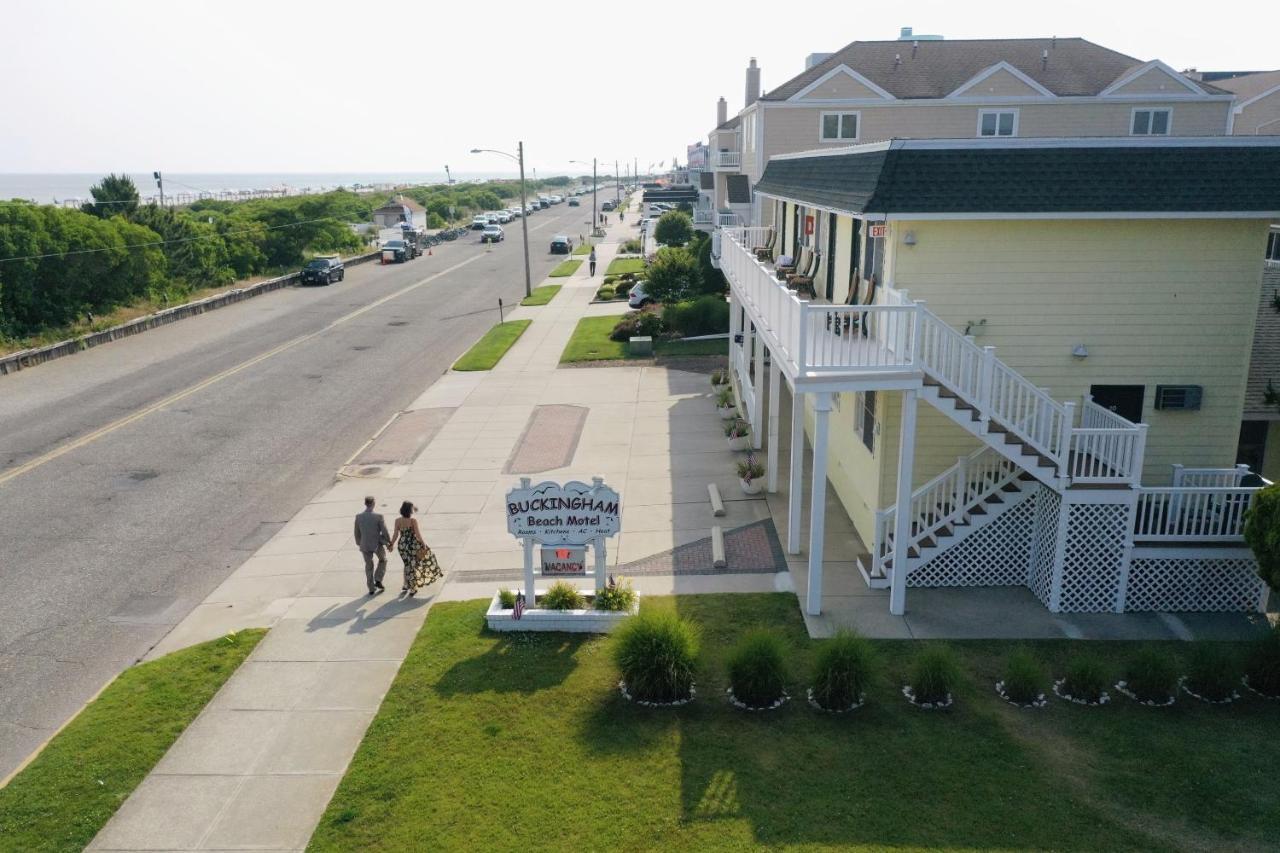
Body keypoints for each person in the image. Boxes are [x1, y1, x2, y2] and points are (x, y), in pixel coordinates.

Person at [388, 501, 442, 596]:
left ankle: (405, 584)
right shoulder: (413, 521)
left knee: (407, 565)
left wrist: (391, 544)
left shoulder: (397, 521)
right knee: (413, 565)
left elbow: (395, 534)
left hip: (402, 545)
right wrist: (423, 544)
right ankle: (412, 589)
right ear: (409, 510)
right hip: (412, 545)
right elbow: (417, 534)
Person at [353, 496, 391, 595]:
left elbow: (356, 532)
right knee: (383, 560)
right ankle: (378, 579)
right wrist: (388, 541)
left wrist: (359, 542)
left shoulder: (359, 516)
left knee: (369, 566)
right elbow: (384, 531)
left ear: (365, 504)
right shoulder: (379, 516)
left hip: (364, 544)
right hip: (377, 544)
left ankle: (371, 588)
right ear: (373, 504)